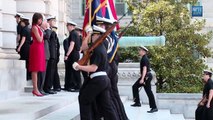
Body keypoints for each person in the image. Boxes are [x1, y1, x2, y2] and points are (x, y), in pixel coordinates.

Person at [73, 25, 118, 120]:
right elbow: (83, 47)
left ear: (98, 36)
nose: (92, 37)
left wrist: (79, 66)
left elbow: (93, 68)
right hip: (104, 80)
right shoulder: (101, 46)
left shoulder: (98, 50)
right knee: (107, 106)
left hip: (98, 79)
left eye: (93, 35)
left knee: (84, 99)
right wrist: (88, 34)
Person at [95, 16, 129, 120]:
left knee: (111, 97)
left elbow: (105, 56)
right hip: (112, 67)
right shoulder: (112, 37)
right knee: (114, 96)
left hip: (108, 68)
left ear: (103, 26)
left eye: (100, 25)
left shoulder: (108, 39)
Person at [131, 45, 158, 113]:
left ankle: (154, 107)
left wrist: (142, 79)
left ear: (143, 51)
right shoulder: (144, 58)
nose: (139, 51)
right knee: (135, 87)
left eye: (140, 50)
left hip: (146, 77)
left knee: (148, 92)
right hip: (146, 76)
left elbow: (145, 69)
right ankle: (137, 102)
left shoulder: (144, 59)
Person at [28, 13, 45, 97]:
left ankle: (36, 89)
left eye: (41, 19)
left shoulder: (38, 27)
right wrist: (42, 33)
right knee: (35, 69)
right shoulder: (35, 27)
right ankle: (35, 89)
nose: (41, 21)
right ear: (36, 19)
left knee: (38, 69)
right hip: (36, 48)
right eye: (40, 19)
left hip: (40, 48)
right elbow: (39, 39)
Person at [64, 21, 81, 92]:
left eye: (68, 26)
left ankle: (78, 86)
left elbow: (72, 44)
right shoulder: (75, 33)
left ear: (71, 26)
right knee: (73, 70)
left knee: (75, 70)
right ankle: (73, 85)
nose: (67, 27)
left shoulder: (73, 34)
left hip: (73, 54)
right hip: (75, 53)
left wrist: (67, 55)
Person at [38, 19, 51, 95]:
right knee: (41, 73)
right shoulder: (41, 30)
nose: (47, 24)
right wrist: (48, 28)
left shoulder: (43, 31)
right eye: (45, 22)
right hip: (42, 54)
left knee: (43, 73)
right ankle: (40, 88)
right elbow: (47, 36)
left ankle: (41, 88)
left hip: (45, 54)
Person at [16, 16, 31, 80]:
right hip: (28, 47)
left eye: (21, 21)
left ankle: (25, 76)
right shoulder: (28, 29)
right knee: (27, 61)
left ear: (24, 22)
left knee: (24, 61)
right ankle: (28, 75)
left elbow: (23, 39)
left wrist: (19, 47)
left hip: (24, 47)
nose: (20, 23)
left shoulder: (24, 29)